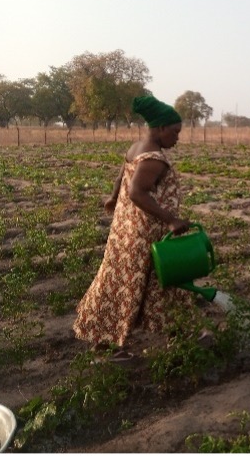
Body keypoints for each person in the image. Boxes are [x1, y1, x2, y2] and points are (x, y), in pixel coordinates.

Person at [73, 95, 193, 357]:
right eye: (174, 132)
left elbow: (121, 178)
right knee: (139, 283)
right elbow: (137, 193)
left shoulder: (135, 148)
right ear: (160, 128)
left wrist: (112, 197)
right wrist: (171, 219)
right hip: (144, 233)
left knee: (147, 282)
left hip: (125, 229)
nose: (177, 138)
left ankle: (184, 334)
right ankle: (108, 346)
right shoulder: (154, 158)